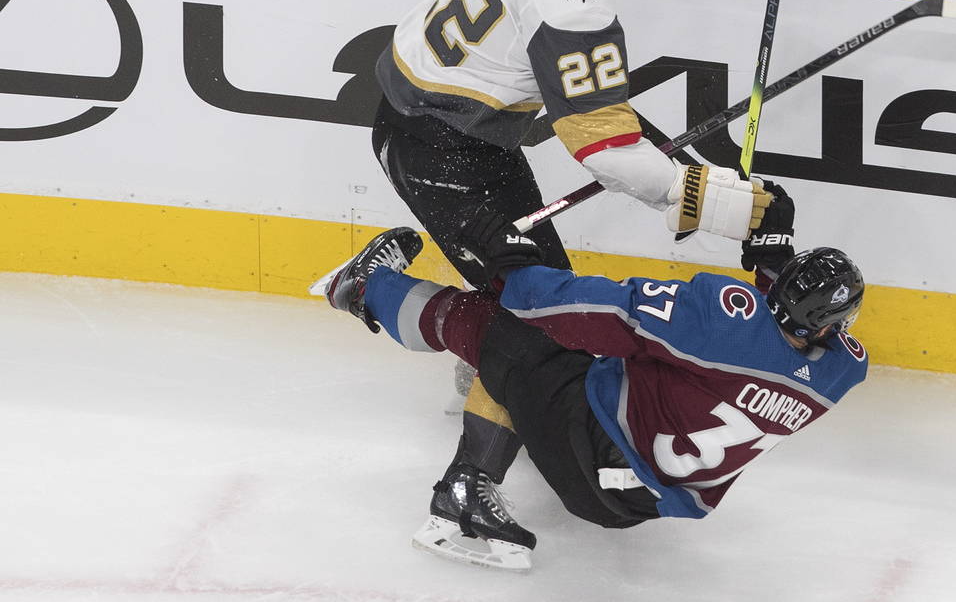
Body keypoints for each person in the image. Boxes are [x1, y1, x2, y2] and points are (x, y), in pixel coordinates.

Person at [370, 0, 788, 516]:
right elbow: (606, 151)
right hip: (443, 150)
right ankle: (464, 489)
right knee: (539, 316)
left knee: (532, 296)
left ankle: (477, 358)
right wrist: (714, 202)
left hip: (440, 118)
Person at [321, 184, 869, 571]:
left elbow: (588, 311)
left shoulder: (722, 319)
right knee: (567, 365)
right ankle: (504, 395)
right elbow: (784, 340)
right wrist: (775, 251)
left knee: (514, 330)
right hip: (639, 503)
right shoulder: (843, 370)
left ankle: (366, 287)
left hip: (590, 453)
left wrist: (513, 262)